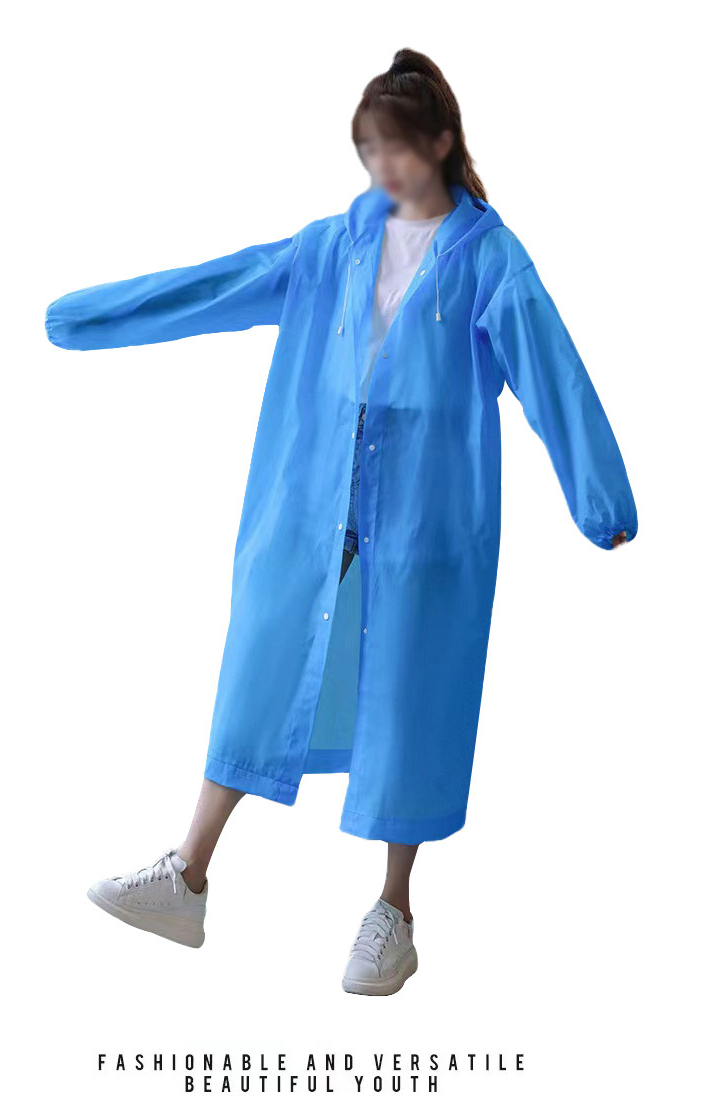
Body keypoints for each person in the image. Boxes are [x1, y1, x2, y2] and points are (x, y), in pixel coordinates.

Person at [45, 48, 637, 997]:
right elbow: (219, 285)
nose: (379, 166)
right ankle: (187, 876)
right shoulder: (334, 245)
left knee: (411, 690)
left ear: (439, 143)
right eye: (368, 149)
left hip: (427, 513)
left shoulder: (490, 257)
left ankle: (394, 910)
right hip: (311, 499)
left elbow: (551, 371)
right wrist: (86, 317)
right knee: (262, 661)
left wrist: (599, 497)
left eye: (394, 146)